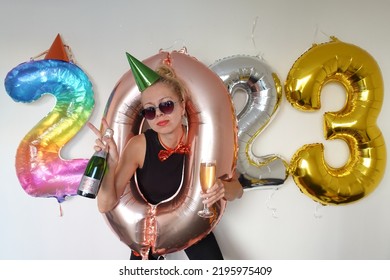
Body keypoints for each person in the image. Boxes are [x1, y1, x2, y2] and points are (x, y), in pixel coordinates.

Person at [88, 53, 243, 260]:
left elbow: (238, 191)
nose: (159, 114)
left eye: (166, 105)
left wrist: (224, 188)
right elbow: (105, 205)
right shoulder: (139, 145)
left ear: (182, 107)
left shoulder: (201, 143)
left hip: (190, 224)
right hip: (148, 231)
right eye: (150, 111)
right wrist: (111, 163)